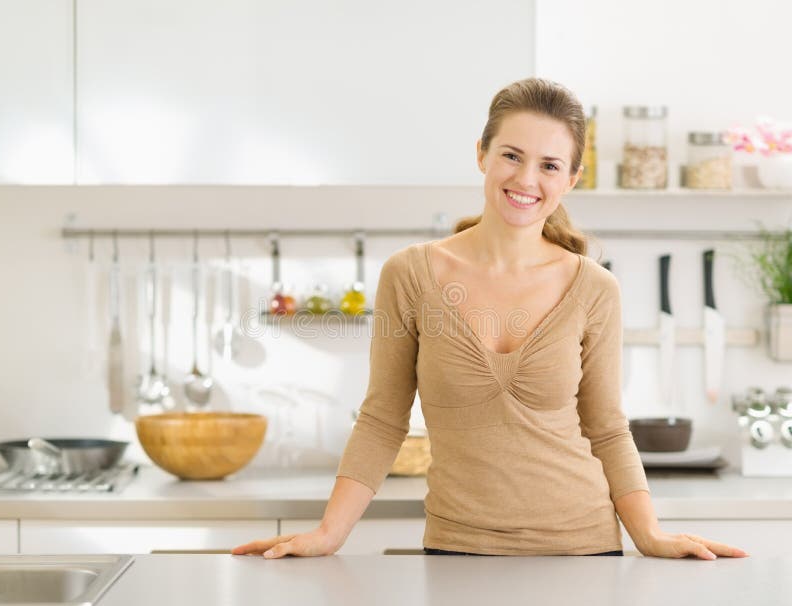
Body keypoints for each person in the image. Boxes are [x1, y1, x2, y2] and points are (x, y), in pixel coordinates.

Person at [232, 77, 749, 560]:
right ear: (481, 155)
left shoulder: (595, 287)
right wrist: (328, 534)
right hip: (458, 548)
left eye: (549, 165)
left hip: (584, 549)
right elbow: (382, 418)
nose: (526, 179)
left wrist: (650, 535)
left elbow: (607, 429)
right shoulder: (410, 274)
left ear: (571, 178)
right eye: (511, 155)